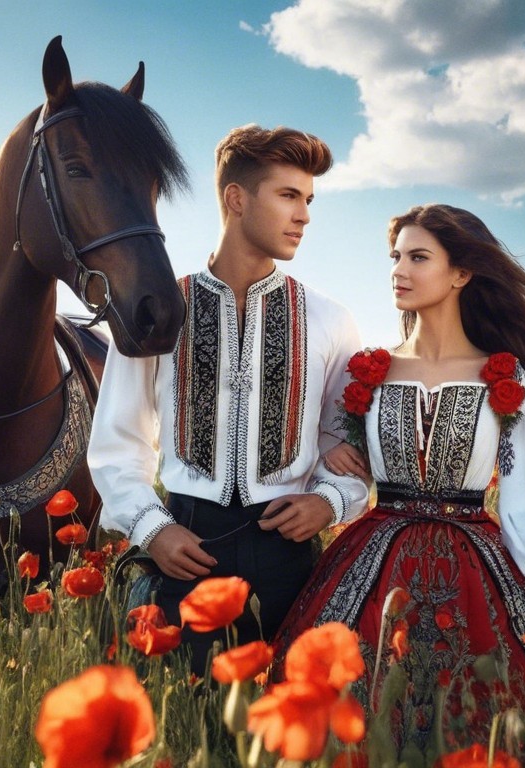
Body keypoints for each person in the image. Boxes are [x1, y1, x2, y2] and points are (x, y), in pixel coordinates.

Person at [275, 204, 525, 752]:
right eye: (395, 256)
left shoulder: (504, 376)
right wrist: (329, 451)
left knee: (495, 720)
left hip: (475, 558)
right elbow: (336, 461)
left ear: (461, 273)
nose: (398, 270)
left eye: (418, 257)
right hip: (374, 558)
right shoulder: (368, 371)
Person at [88, 125, 369, 674]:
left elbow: (350, 446)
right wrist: (152, 527)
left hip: (292, 558)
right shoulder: (158, 308)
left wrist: (329, 502)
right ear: (235, 199)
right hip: (186, 548)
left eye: (309, 199)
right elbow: (117, 444)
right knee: (187, 727)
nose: (305, 215)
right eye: (288, 195)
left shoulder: (332, 320)